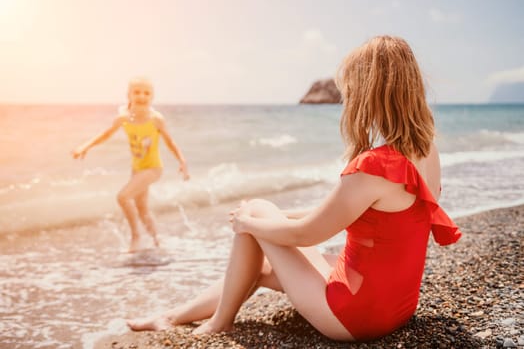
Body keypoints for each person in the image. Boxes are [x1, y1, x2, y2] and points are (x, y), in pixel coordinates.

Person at [127, 36, 462, 341]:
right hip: (397, 305)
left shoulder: (374, 166)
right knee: (260, 266)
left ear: (367, 94)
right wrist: (274, 218)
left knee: (257, 208)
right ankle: (173, 316)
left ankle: (220, 321)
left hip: (356, 315)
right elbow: (341, 213)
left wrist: (250, 223)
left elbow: (306, 234)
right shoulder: (426, 151)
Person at [72, 77, 190, 253]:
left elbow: (170, 142)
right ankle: (157, 241)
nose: (142, 96)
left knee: (123, 197)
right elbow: (105, 135)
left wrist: (182, 161)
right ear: (129, 95)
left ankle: (136, 236)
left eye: (146, 93)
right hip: (137, 170)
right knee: (142, 210)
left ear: (152, 97)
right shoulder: (123, 118)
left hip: (153, 168)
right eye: (137, 92)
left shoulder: (156, 119)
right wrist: (85, 146)